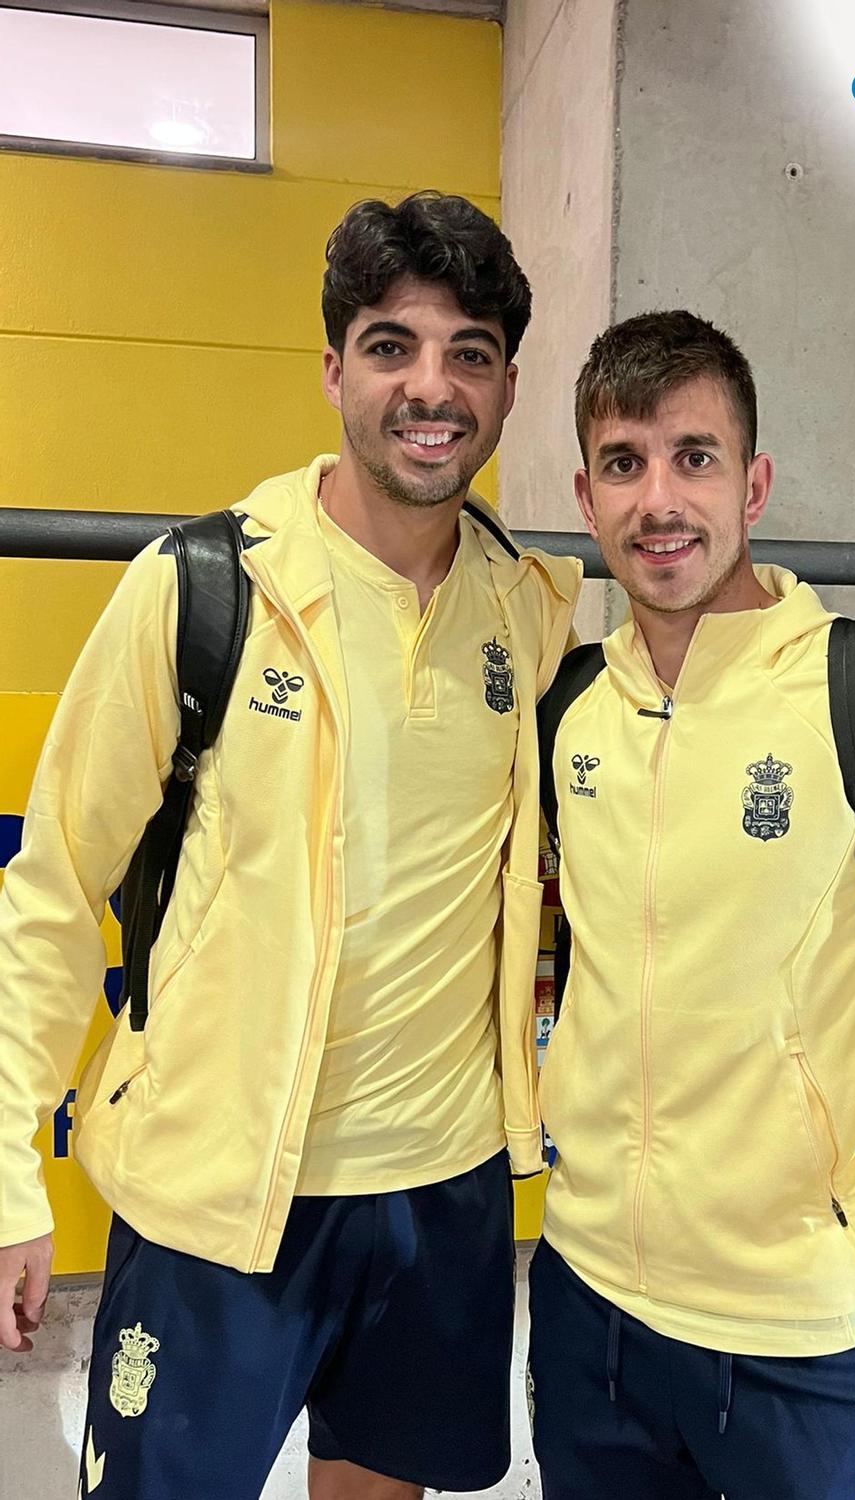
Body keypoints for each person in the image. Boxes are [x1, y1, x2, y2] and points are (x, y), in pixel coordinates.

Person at [0, 192, 579, 1500]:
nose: (430, 387)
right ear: (333, 370)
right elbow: (49, 891)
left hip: (442, 1196)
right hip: (216, 1197)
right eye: (392, 346)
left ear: (504, 389)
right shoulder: (201, 587)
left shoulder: (528, 610)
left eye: (468, 353)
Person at [527, 310, 855, 1500]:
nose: (660, 499)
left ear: (753, 484)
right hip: (592, 1297)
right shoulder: (571, 713)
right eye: (624, 462)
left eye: (694, 457)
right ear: (587, 496)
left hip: (811, 1328)